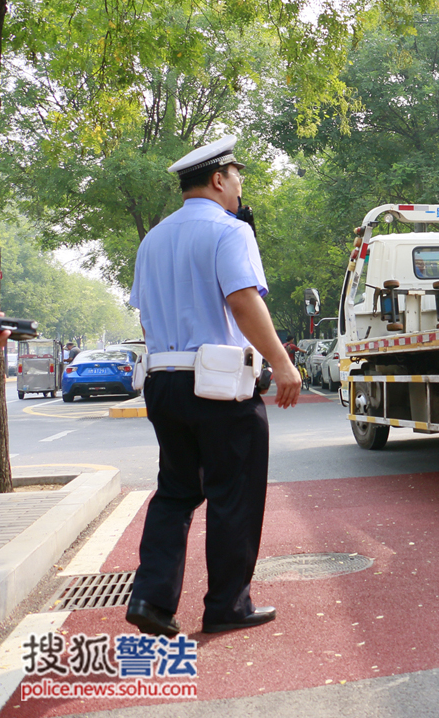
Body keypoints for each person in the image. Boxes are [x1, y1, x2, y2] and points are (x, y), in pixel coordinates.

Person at [125, 135, 301, 638]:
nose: (241, 186)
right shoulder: (229, 231)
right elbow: (243, 300)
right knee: (234, 494)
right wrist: (282, 363)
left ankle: (150, 598)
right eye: (238, 176)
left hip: (163, 381)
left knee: (177, 490)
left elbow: (146, 315)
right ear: (219, 179)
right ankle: (227, 605)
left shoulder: (152, 239)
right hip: (220, 386)